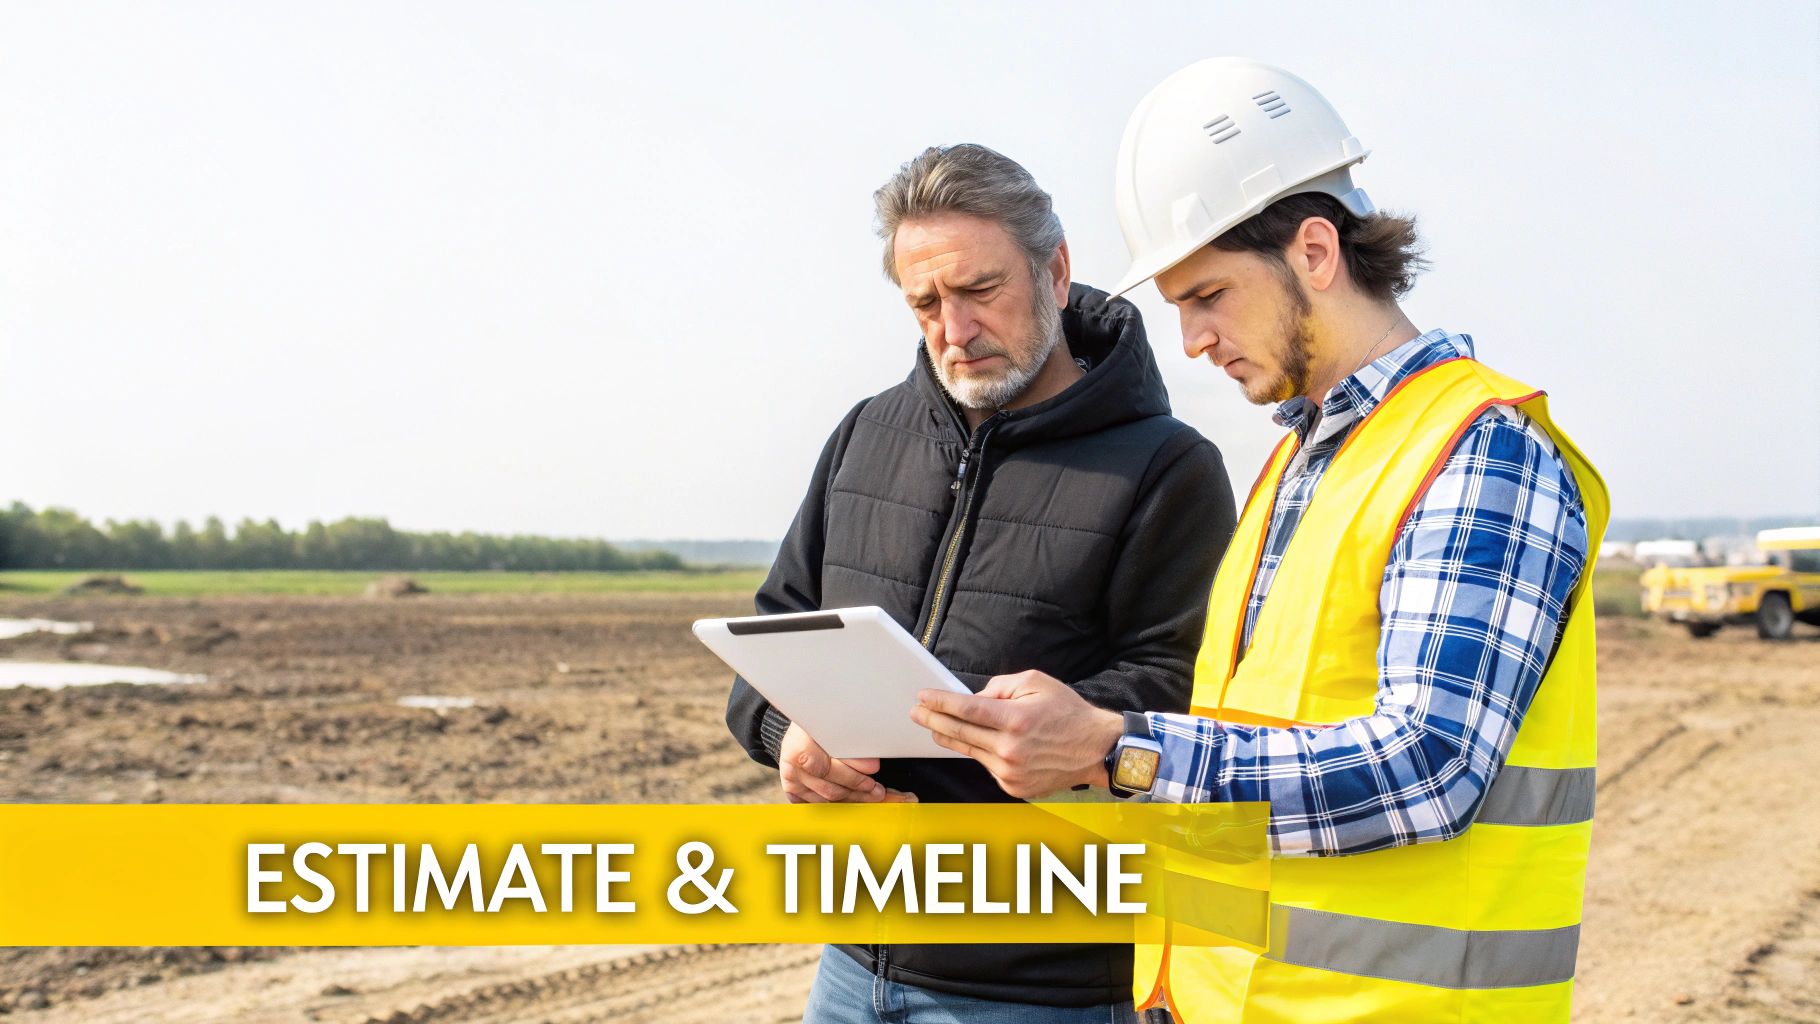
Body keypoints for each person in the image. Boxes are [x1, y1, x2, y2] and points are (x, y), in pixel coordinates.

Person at [912, 58, 1608, 1023]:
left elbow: (1431, 770)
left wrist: (1119, 750)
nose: (1191, 339)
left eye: (1208, 296)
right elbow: (1253, 746)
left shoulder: (1479, 450)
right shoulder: (1303, 465)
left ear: (1314, 251)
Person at [725, 143, 1236, 1023]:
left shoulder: (1169, 468)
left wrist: (1070, 731)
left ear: (1057, 271)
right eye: (925, 302)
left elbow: (1193, 690)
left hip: (1047, 984)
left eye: (979, 291)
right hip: (852, 963)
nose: (953, 329)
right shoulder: (865, 436)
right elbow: (773, 635)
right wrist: (787, 735)